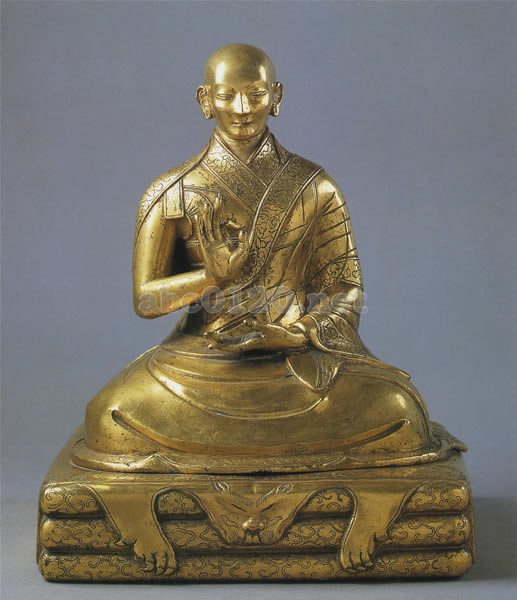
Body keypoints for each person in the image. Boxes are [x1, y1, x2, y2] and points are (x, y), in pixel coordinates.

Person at [72, 44, 465, 572]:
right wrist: (213, 277)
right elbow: (146, 299)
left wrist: (295, 333)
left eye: (255, 94)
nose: (241, 108)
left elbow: (346, 288)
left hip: (296, 364)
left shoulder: (314, 186)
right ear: (204, 100)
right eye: (227, 95)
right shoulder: (171, 191)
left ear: (276, 96)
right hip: (199, 364)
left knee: (400, 411)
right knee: (110, 414)